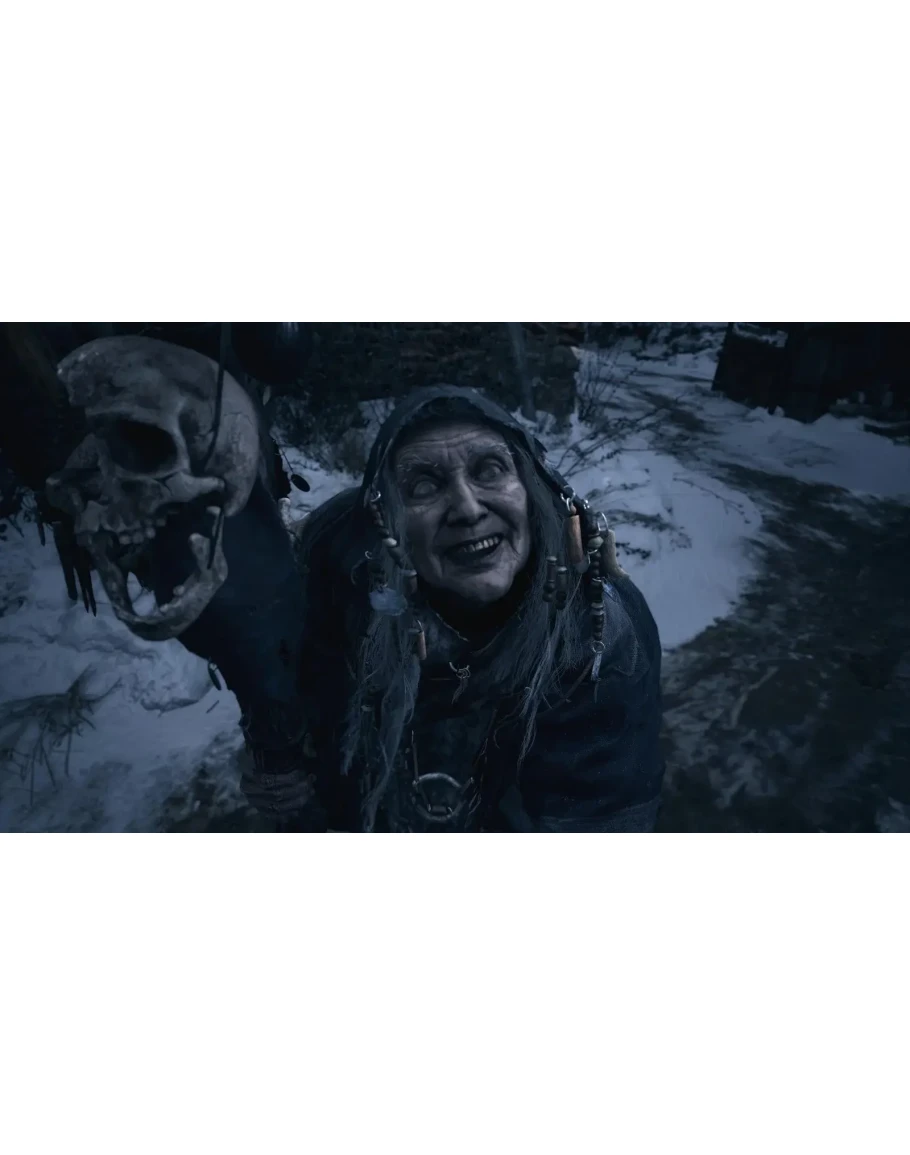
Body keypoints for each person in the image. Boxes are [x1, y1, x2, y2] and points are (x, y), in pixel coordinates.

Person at [221, 385, 666, 832]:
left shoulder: (598, 636)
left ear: (530, 490)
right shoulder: (342, 563)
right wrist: (282, 757)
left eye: (489, 470)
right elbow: (287, 668)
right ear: (388, 520)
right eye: (424, 486)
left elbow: (598, 819)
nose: (467, 509)